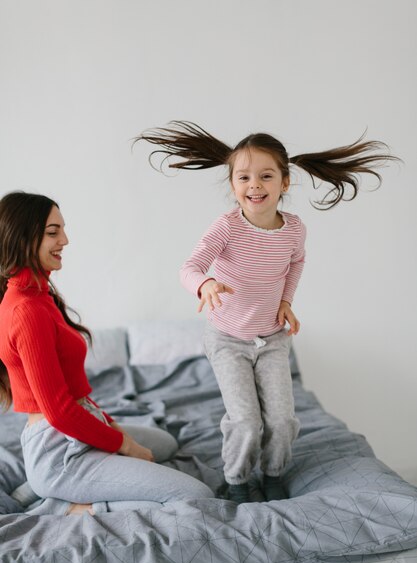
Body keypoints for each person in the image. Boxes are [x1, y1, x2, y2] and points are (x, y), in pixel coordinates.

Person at [136, 121, 399, 504]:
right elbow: (188, 268)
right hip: (227, 339)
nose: (254, 185)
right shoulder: (226, 227)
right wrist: (205, 284)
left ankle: (274, 473)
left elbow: (296, 264)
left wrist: (286, 301)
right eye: (244, 177)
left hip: (273, 339)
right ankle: (239, 480)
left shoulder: (294, 229)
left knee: (281, 420)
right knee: (246, 421)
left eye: (265, 176)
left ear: (284, 183)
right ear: (232, 185)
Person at [0, 191, 214, 516]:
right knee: (197, 494)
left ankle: (44, 485)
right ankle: (68, 506)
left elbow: (74, 395)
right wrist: (124, 445)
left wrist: (111, 427)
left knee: (165, 445)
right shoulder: (27, 310)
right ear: (23, 237)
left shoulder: (39, 294)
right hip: (59, 451)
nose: (66, 240)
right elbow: (58, 410)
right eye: (53, 232)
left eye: (63, 229)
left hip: (76, 426)